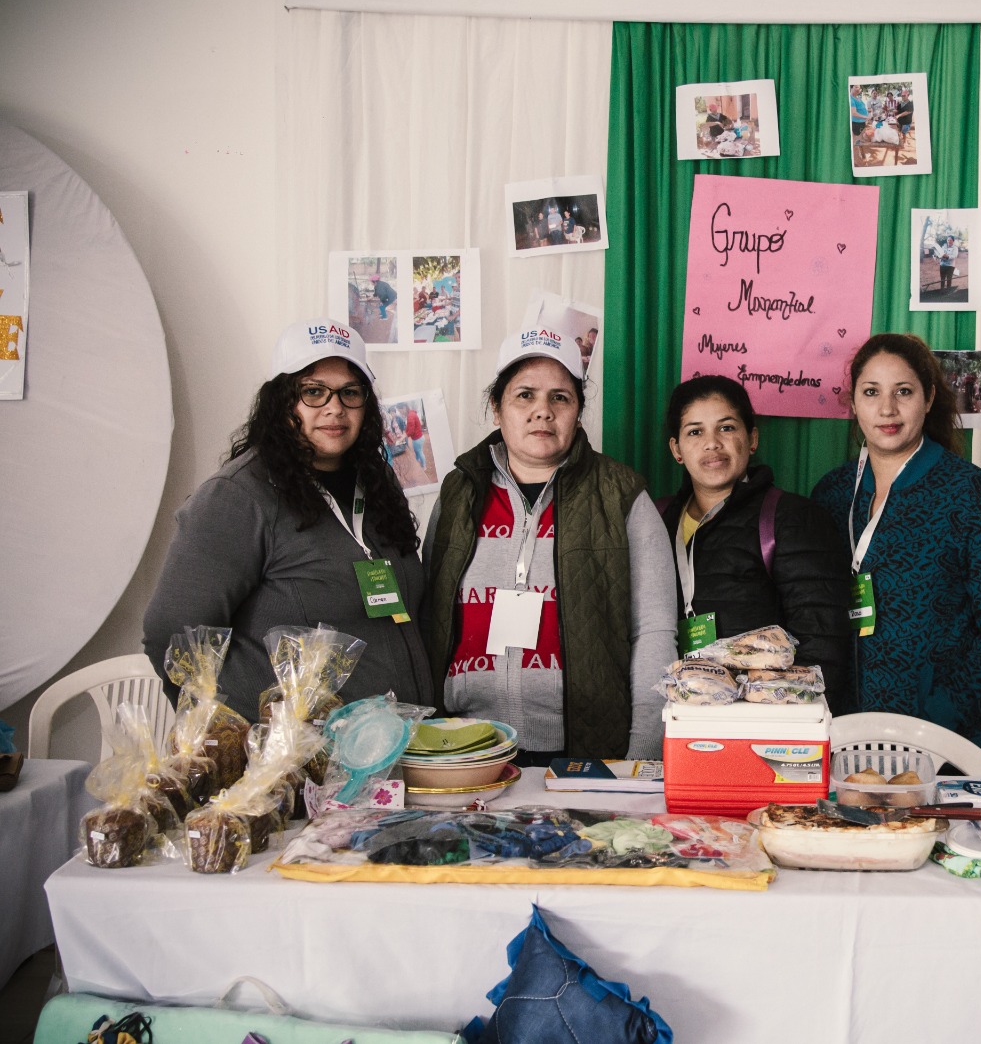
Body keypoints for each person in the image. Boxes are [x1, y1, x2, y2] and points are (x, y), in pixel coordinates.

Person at [143, 319, 432, 721]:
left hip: (396, 751)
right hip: (298, 769)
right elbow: (172, 635)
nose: (335, 407)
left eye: (350, 392)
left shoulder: (377, 483)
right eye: (313, 392)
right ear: (282, 401)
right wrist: (240, 730)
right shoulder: (239, 495)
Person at [421, 324, 675, 763]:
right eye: (525, 395)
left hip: (587, 750)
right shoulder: (458, 493)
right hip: (464, 747)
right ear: (496, 409)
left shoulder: (623, 496)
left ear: (577, 411)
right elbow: (430, 617)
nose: (543, 411)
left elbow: (654, 631)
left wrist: (643, 755)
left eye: (560, 397)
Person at [811, 334, 981, 759]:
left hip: (946, 745)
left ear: (929, 398)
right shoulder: (832, 494)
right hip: (844, 737)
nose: (887, 409)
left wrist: (941, 714)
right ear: (853, 401)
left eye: (904, 392)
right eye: (871, 392)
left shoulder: (975, 496)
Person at [658, 375, 856, 714]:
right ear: (676, 449)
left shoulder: (791, 518)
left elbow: (823, 646)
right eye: (695, 432)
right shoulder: (656, 521)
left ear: (752, 438)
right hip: (677, 715)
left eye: (726, 428)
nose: (712, 444)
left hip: (763, 721)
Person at [404, 404, 427, 472]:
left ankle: (424, 466)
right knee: (417, 451)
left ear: (404, 408)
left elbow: (411, 430)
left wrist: (405, 435)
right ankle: (417, 463)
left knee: (419, 452)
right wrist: (405, 433)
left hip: (417, 438)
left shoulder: (410, 415)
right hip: (418, 438)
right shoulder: (411, 414)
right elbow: (409, 427)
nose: (401, 412)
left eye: (400, 410)